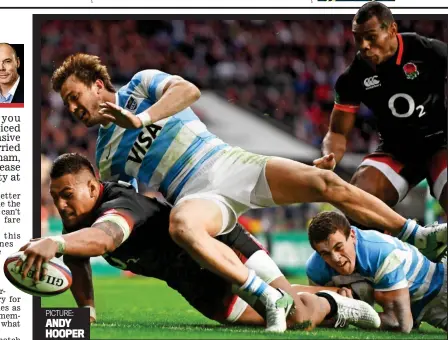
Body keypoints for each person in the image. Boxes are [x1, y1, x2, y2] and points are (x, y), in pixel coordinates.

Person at [50, 52, 446, 331]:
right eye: (65, 103)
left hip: (229, 162)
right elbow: (137, 204)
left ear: (98, 84)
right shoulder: (104, 157)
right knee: (181, 225)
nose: (71, 108)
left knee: (324, 183)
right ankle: (268, 296)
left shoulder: (141, 84)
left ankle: (416, 236)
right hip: (193, 193)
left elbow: (189, 91)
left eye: (73, 96)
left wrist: (142, 118)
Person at [19, 153, 381, 331]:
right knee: (286, 312)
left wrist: (56, 242)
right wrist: (86, 310)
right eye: (55, 197)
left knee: (296, 315)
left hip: (218, 247)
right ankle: (343, 294)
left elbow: (100, 240)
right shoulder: (77, 223)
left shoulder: (118, 205)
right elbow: (80, 257)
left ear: (93, 187)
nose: (61, 204)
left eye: (67, 195)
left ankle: (341, 307)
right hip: (196, 287)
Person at [313, 2, 447, 219]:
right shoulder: (353, 77)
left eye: (371, 37)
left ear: (392, 30)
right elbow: (337, 133)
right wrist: (330, 156)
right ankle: (395, 248)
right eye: (358, 38)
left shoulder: (429, 51)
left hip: (441, 142)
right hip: (397, 150)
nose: (364, 45)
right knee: (358, 203)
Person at [306, 211, 447, 333]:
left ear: (353, 235)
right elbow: (322, 316)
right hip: (419, 305)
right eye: (325, 253)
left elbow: (400, 324)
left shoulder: (379, 253)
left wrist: (347, 309)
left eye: (339, 247)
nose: (335, 258)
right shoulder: (315, 269)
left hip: (440, 292)